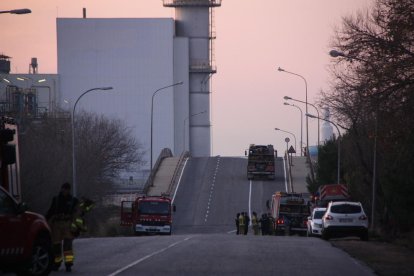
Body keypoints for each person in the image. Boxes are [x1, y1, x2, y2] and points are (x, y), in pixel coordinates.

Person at [46, 182, 79, 272]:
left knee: (67, 246)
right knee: (56, 245)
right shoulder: (56, 199)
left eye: (66, 189)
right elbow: (51, 211)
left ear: (68, 190)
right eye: (63, 189)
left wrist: (75, 226)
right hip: (57, 224)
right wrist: (45, 221)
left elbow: (77, 214)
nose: (64, 191)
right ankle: (57, 263)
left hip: (68, 224)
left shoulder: (74, 200)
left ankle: (68, 264)